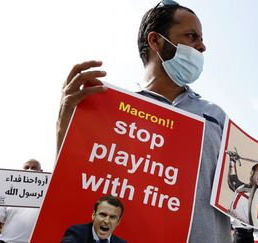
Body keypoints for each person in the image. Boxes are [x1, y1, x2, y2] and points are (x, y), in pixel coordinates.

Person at [56, 1, 230, 242]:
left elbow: (240, 194)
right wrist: (66, 120)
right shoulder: (112, 110)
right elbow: (76, 181)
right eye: (192, 36)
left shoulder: (216, 117)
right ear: (156, 41)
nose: (202, 46)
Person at [0, 159, 43, 243]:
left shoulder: (47, 193)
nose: (29, 170)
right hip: (8, 241)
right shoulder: (7, 193)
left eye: (34, 168)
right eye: (26, 167)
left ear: (41, 171)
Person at [61, 195, 126, 243]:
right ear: (93, 215)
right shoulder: (77, 232)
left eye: (112, 217)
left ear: (118, 222)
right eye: (103, 215)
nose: (106, 221)